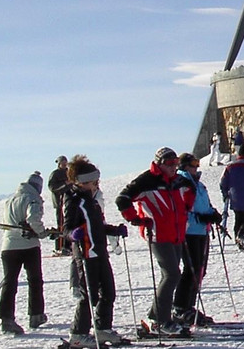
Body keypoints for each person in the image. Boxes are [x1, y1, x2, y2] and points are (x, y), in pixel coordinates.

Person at [115, 147, 195, 337]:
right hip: (157, 234)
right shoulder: (147, 180)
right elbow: (122, 198)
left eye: (175, 163)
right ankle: (160, 320)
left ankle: (157, 316)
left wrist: (186, 208)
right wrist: (134, 218)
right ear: (159, 163)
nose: (173, 167)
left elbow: (190, 189)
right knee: (171, 275)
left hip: (176, 233)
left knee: (173, 274)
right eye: (169, 164)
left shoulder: (176, 180)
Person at [65, 155, 128, 349]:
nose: (97, 183)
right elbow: (66, 228)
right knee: (88, 295)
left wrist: (114, 230)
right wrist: (72, 234)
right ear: (83, 182)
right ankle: (78, 334)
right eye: (94, 180)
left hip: (100, 252)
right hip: (85, 254)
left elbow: (99, 226)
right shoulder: (74, 200)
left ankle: (102, 329)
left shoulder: (92, 201)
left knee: (108, 292)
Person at [0, 171, 48, 335]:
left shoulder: (10, 199)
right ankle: (36, 315)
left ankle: (6, 319)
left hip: (8, 245)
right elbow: (33, 219)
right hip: (29, 245)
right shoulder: (32, 198)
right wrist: (41, 232)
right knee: (34, 280)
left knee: (9, 283)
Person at [174, 153, 222, 326]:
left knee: (199, 270)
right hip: (189, 231)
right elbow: (182, 211)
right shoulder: (182, 183)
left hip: (201, 231)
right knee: (191, 269)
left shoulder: (198, 184)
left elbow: (203, 205)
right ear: (184, 166)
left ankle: (188, 305)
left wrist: (212, 213)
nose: (196, 167)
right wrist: (200, 219)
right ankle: (180, 307)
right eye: (193, 164)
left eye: (197, 163)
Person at [47, 156, 71, 256]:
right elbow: (52, 187)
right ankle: (60, 246)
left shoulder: (69, 172)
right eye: (63, 162)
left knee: (69, 223)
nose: (64, 164)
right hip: (59, 202)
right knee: (61, 224)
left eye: (66, 162)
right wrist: (64, 185)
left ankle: (68, 245)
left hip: (69, 202)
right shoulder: (55, 174)